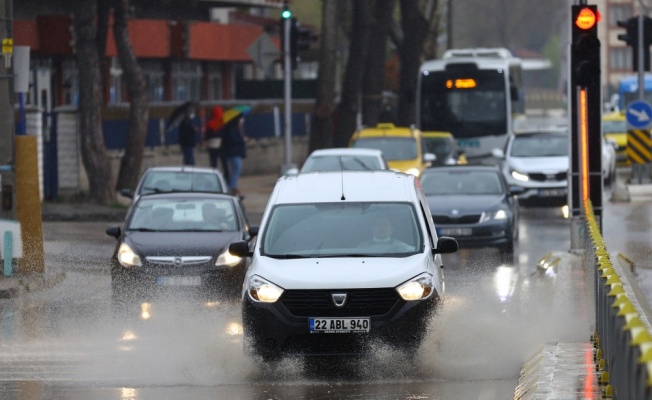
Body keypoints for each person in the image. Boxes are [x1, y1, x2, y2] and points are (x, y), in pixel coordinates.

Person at [220, 115, 248, 196]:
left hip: (236, 152)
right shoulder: (231, 128)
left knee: (236, 169)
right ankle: (232, 187)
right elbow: (232, 139)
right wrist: (242, 139)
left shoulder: (236, 128)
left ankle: (233, 186)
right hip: (233, 153)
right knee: (236, 169)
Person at [203, 105, 225, 171]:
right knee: (224, 162)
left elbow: (207, 135)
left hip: (211, 145)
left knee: (213, 163)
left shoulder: (209, 123)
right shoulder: (222, 123)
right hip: (221, 144)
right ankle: (226, 177)